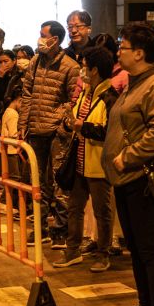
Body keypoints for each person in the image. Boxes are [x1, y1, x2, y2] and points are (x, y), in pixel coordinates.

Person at [103, 21, 154, 306]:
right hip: (125, 178)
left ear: (140, 52)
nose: (118, 52)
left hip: (142, 177)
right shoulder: (134, 82)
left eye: (123, 47)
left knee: (150, 247)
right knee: (137, 245)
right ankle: (145, 305)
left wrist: (127, 157)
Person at [55, 45, 118, 273]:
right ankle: (72, 250)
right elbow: (76, 121)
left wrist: (84, 127)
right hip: (79, 161)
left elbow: (111, 132)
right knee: (75, 207)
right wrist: (69, 122)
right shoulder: (86, 93)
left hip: (99, 164)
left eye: (84, 66)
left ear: (94, 70)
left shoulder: (110, 97)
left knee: (102, 211)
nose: (81, 70)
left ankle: (103, 254)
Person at [18, 20, 80, 247]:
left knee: (58, 183)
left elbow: (73, 100)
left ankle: (60, 231)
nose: (40, 39)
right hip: (35, 130)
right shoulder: (35, 61)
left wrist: (63, 125)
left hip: (56, 132)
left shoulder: (70, 67)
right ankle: (40, 228)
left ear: (55, 39)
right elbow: (27, 95)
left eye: (44, 35)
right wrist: (22, 125)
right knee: (39, 183)